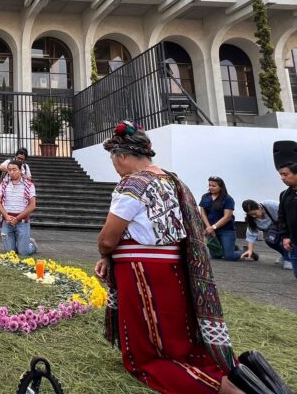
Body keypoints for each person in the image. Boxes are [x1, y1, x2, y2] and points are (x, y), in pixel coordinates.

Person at [95, 120, 245, 394]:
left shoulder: (133, 183)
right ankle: (231, 377)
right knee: (179, 339)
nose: (115, 167)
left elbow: (108, 237)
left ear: (123, 156)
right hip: (175, 269)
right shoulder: (173, 180)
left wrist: (105, 253)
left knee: (147, 356)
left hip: (142, 271)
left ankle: (220, 389)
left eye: (114, 160)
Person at [0, 158, 37, 256]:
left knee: (23, 252)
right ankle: (21, 243)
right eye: (9, 170)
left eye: (14, 169)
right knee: (11, 253)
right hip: (7, 221)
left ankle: (32, 245)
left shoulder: (29, 185)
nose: (11, 172)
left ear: (20, 170)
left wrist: (17, 218)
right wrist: (6, 216)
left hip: (22, 221)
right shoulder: (4, 184)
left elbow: (32, 205)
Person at [199, 176, 243, 261]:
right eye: (210, 185)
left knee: (229, 257)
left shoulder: (228, 199)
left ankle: (243, 251)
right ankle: (231, 247)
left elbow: (227, 217)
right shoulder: (205, 197)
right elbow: (203, 213)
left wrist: (213, 227)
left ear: (221, 187)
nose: (211, 187)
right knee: (216, 256)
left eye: (214, 186)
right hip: (211, 229)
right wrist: (209, 228)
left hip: (226, 230)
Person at [241, 199, 289, 269]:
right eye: (251, 215)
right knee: (270, 240)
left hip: (285, 225)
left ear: (259, 207)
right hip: (272, 231)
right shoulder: (252, 220)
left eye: (254, 213)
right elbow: (251, 235)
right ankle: (285, 256)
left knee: (287, 240)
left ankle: (289, 259)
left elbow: (287, 211)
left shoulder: (270, 205)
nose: (254, 216)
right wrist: (250, 250)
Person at [276, 162, 297, 279]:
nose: (282, 178)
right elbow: (281, 216)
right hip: (294, 241)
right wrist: (285, 236)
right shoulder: (284, 195)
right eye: (280, 175)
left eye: (285, 174)